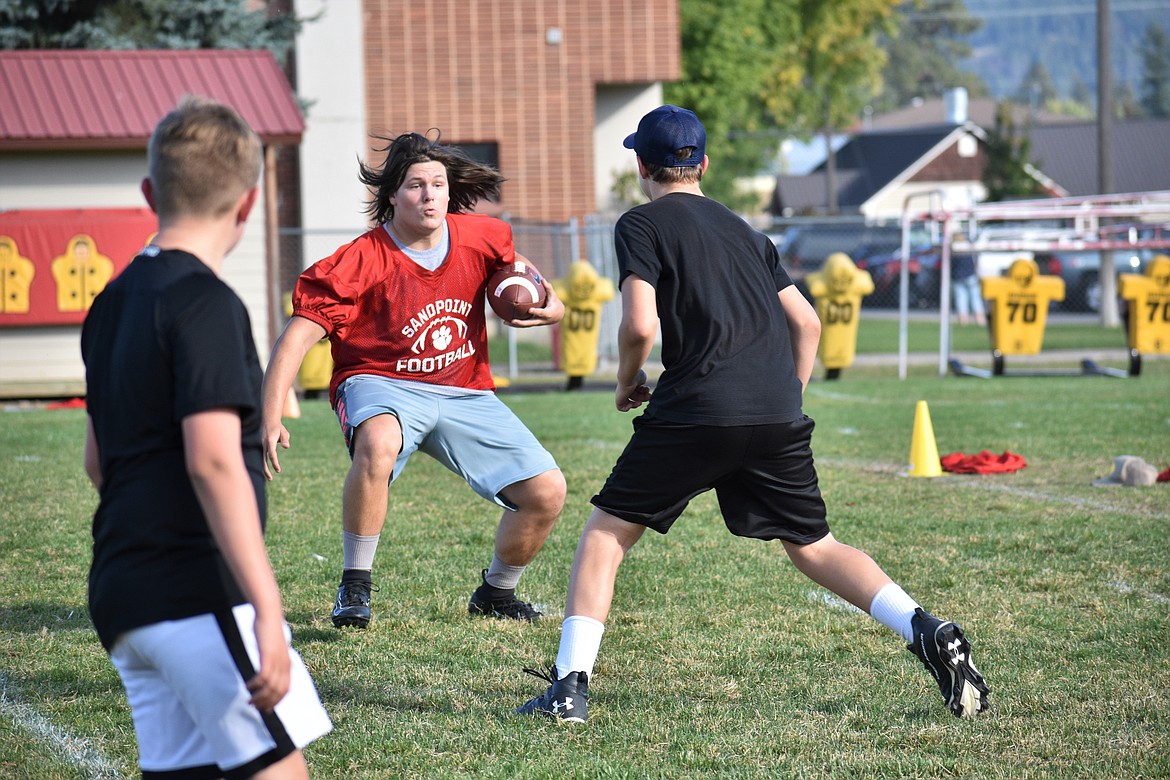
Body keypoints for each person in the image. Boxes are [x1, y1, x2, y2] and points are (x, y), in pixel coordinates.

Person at [515, 105, 990, 723]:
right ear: (704, 165)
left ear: (640, 165)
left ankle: (570, 688)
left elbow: (637, 323)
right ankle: (926, 628)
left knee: (607, 534)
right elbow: (809, 322)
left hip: (696, 408)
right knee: (815, 546)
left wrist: (628, 379)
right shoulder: (749, 232)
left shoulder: (642, 223)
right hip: (774, 411)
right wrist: (785, 399)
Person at [81, 95, 331, 778]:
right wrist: (269, 607)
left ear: (148, 192)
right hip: (197, 591)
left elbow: (97, 460)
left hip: (122, 592)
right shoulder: (208, 303)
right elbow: (215, 461)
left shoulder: (110, 304)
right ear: (248, 205)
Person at [262, 131, 567, 629]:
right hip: (378, 379)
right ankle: (354, 586)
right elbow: (297, 336)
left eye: (437, 184)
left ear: (450, 192)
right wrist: (271, 414)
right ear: (391, 196)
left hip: (463, 386)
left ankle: (497, 592)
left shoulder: (482, 235)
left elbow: (533, 282)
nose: (428, 195)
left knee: (547, 492)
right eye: (414, 185)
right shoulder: (363, 258)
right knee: (379, 440)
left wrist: (550, 310)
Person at [951, 251, 986, 326]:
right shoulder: (968, 248)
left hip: (958, 276)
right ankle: (980, 320)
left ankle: (963, 320)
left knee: (961, 298)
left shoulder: (954, 250)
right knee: (975, 298)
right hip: (970, 275)